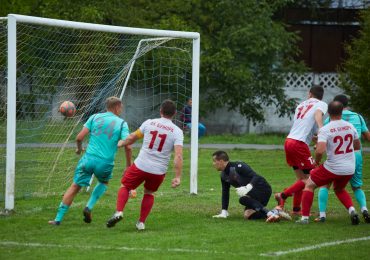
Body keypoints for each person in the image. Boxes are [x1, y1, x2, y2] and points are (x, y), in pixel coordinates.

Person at [48, 97, 132, 225]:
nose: (121, 110)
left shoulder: (94, 117)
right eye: (121, 107)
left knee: (75, 186)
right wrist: (128, 165)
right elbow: (128, 145)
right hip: (105, 162)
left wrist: (79, 149)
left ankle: (57, 219)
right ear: (116, 107)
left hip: (88, 159)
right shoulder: (122, 124)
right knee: (104, 182)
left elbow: (79, 137)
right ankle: (89, 207)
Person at [106, 99, 183, 231]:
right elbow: (178, 156)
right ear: (174, 113)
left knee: (125, 186)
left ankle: (119, 212)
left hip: (141, 165)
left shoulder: (149, 123)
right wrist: (177, 176)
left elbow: (132, 137)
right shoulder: (177, 131)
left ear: (161, 111)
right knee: (149, 193)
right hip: (159, 171)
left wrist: (121, 143)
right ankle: (141, 223)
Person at [297, 101, 361, 224]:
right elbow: (357, 145)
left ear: (328, 113)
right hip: (349, 167)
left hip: (333, 167)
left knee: (309, 185)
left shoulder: (326, 129)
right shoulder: (350, 126)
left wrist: (316, 162)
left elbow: (320, 150)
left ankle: (304, 218)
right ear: (341, 112)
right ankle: (352, 210)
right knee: (339, 189)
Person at [315, 94, 370, 223]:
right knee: (357, 186)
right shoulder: (358, 117)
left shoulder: (331, 119)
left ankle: (322, 215)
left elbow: (326, 135)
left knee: (325, 184)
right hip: (356, 155)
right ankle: (364, 209)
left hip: (338, 156)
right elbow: (367, 136)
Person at [274, 85, 327, 215]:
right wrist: (322, 128)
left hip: (289, 141)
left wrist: (317, 136)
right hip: (299, 144)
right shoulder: (321, 104)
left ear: (310, 94)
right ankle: (283, 195)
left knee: (301, 179)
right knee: (310, 180)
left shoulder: (301, 105)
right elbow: (317, 114)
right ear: (321, 96)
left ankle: (296, 209)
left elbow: (305, 126)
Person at [211, 150, 291, 222]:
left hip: (263, 189)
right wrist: (224, 211)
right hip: (252, 195)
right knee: (248, 215)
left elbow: (256, 176)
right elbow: (225, 193)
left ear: (221, 161)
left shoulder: (239, 166)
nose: (213, 164)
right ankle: (276, 212)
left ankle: (270, 214)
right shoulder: (223, 175)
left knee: (243, 199)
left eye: (214, 161)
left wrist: (247, 187)